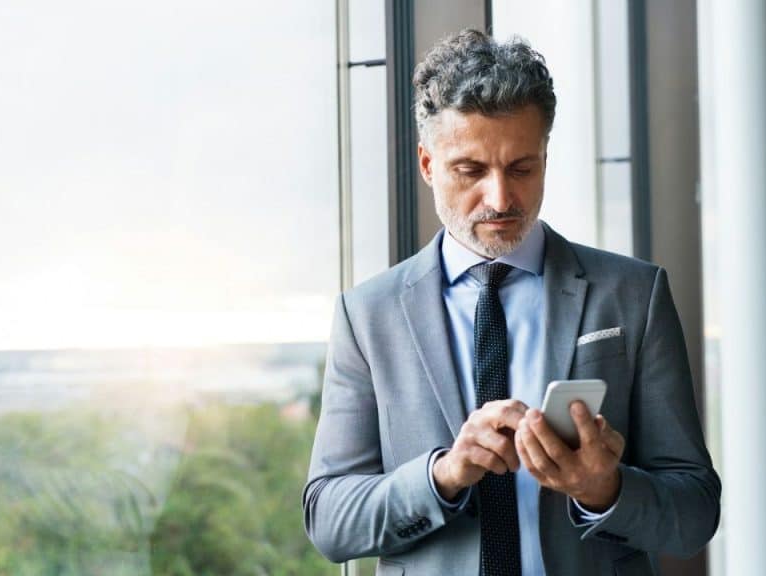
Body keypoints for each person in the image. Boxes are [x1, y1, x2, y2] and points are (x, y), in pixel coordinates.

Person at [302, 29, 720, 576]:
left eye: (521, 168)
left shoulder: (634, 296)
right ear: (428, 165)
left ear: (544, 157)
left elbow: (694, 512)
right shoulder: (368, 315)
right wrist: (445, 474)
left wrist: (604, 489)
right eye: (470, 171)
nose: (500, 199)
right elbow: (330, 521)